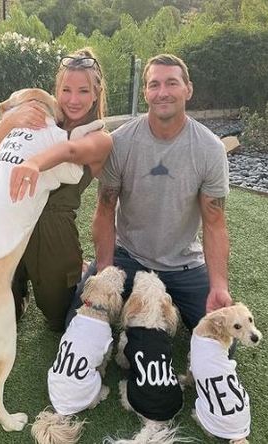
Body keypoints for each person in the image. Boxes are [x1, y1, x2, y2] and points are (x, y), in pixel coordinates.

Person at [66, 53, 231, 332]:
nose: (162, 92)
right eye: (154, 84)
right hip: (128, 256)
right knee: (76, 324)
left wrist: (219, 286)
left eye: (172, 83)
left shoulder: (210, 149)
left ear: (188, 89)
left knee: (224, 336)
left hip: (184, 265)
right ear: (145, 92)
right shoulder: (120, 142)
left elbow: (215, 223)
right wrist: (105, 270)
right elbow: (105, 210)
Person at [0, 48, 112, 331]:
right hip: (13, 220)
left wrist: (34, 162)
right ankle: (18, 284)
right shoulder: (42, 118)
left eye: (83, 91)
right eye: (66, 90)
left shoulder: (99, 137)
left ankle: (77, 270)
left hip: (53, 230)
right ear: (56, 90)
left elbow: (71, 150)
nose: (73, 100)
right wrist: (11, 120)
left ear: (96, 94)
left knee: (58, 319)